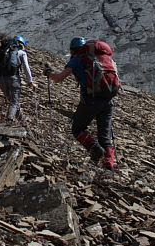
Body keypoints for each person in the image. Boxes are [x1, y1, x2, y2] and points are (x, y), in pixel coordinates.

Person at [44, 36, 116, 170]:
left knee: (77, 129)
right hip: (108, 100)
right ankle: (109, 169)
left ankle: (94, 148)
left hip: (90, 100)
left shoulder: (77, 59)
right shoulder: (102, 59)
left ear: (72, 50)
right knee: (105, 137)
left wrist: (48, 73)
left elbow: (59, 78)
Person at [0, 35, 36, 122]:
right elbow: (26, 68)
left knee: (12, 101)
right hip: (14, 79)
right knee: (14, 102)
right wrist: (30, 82)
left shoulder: (3, 51)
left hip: (2, 80)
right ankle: (9, 121)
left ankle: (22, 121)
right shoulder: (22, 53)